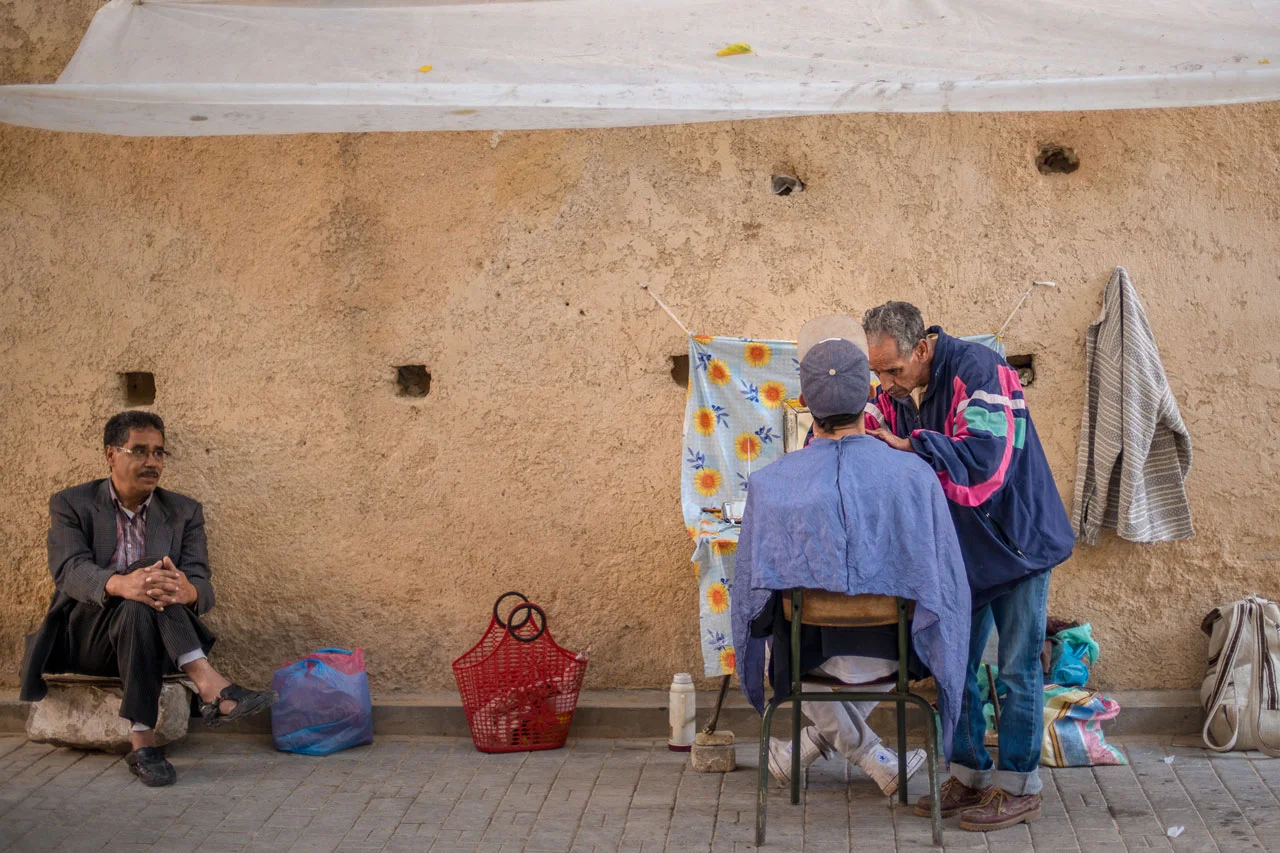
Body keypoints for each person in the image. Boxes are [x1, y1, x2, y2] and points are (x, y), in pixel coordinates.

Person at [731, 315, 971, 796]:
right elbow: (947, 584)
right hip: (897, 656)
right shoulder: (915, 476)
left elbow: (748, 598)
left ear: (803, 402)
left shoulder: (769, 485)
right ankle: (874, 755)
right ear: (867, 396)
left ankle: (827, 746)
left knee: (779, 620)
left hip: (807, 660)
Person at [861, 301, 1075, 832]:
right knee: (952, 663)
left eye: (892, 370)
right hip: (965, 553)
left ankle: (1019, 786)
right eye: (875, 371)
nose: (884, 383)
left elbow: (985, 458)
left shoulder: (979, 369)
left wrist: (909, 444)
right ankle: (968, 772)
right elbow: (870, 437)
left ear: (923, 348)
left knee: (1016, 669)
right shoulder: (899, 392)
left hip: (1018, 543)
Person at [20, 411, 275, 787]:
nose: (152, 462)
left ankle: (143, 747)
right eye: (139, 451)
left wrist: (187, 591)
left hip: (151, 637)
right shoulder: (71, 503)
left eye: (158, 453)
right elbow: (69, 570)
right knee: (144, 573)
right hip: (89, 637)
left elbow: (202, 584)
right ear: (111, 454)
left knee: (144, 595)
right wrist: (122, 584)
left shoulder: (183, 511)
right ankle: (208, 682)